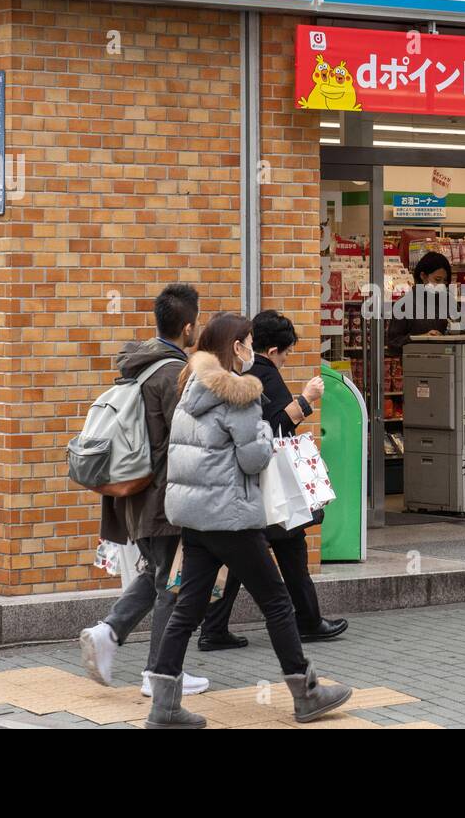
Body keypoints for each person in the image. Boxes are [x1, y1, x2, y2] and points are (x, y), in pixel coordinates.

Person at [145, 312, 352, 728]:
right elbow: (254, 457)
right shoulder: (239, 394)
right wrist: (260, 433)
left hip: (194, 517)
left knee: (187, 608)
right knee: (276, 601)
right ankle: (306, 693)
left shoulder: (190, 385)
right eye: (249, 343)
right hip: (231, 516)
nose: (252, 351)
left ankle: (164, 705)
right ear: (236, 348)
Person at [79, 284, 211, 697]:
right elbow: (187, 437)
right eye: (197, 324)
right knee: (174, 584)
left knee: (158, 574)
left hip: (139, 497)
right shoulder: (173, 373)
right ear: (188, 326)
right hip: (164, 500)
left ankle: (110, 631)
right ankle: (160, 674)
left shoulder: (139, 366)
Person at [199, 310, 347, 651]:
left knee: (261, 552)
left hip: (248, 487)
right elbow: (277, 427)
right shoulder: (265, 374)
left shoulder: (238, 375)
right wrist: (307, 399)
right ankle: (304, 623)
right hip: (267, 486)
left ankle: (217, 627)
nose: (288, 357)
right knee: (280, 549)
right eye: (288, 351)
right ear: (274, 349)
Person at [385, 251, 456, 352]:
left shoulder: (449, 302)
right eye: (437, 279)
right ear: (423, 276)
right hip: (415, 365)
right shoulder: (404, 304)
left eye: (444, 281)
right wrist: (421, 338)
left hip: (447, 363)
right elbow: (393, 344)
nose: (441, 285)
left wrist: (446, 337)